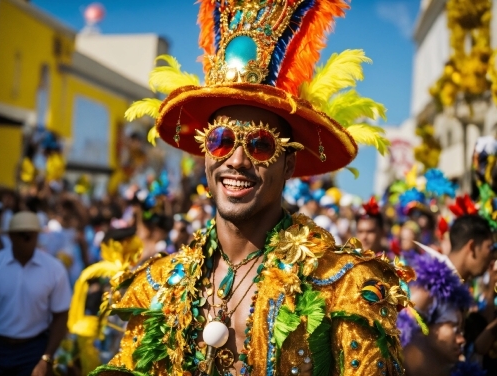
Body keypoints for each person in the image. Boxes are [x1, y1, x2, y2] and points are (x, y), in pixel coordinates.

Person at [90, 1, 412, 375]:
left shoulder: (342, 288)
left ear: (289, 164)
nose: (238, 160)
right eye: (221, 140)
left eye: (261, 144)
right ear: (205, 154)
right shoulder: (162, 287)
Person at [0, 211, 72, 376]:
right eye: (21, 235)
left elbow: (61, 316)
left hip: (33, 347)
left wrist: (46, 358)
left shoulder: (54, 269)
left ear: (37, 236)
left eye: (30, 235)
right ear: (10, 236)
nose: (26, 239)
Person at [397, 214, 494, 375]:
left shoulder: (458, 287)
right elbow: (398, 336)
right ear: (472, 247)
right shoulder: (431, 284)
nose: (493, 256)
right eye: (490, 248)